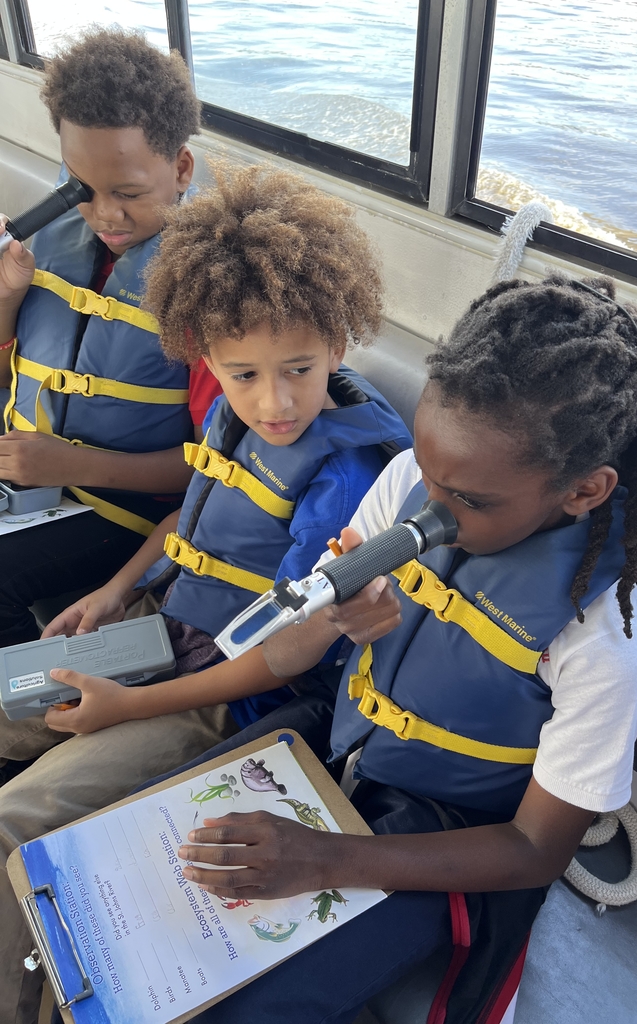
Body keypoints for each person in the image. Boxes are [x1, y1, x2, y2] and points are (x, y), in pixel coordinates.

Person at [112, 273, 637, 1024]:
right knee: (131, 867)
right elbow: (297, 642)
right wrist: (331, 622)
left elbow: (533, 850)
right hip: (342, 744)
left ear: (584, 491)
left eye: (471, 501)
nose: (432, 510)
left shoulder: (602, 639)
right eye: (428, 473)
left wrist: (323, 861)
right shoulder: (404, 483)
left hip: (452, 835)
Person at [0, 159, 411, 1024]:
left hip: (225, 697)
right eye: (244, 375)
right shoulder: (230, 410)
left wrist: (120, 710)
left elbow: (281, 659)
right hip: (154, 629)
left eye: (298, 369)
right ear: (208, 361)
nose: (274, 401)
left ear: (340, 342)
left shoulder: (344, 478)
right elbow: (192, 514)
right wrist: (115, 593)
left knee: (18, 816)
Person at [0, 28, 207, 654]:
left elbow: (216, 469)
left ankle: (21, 740)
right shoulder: (52, 242)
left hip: (125, 509)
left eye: (129, 194)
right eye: (82, 190)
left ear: (180, 169)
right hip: (30, 483)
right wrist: (8, 295)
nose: (105, 215)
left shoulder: (209, 287)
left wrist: (74, 466)